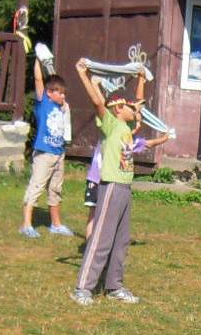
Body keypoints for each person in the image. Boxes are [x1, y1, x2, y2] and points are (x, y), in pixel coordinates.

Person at [71, 58, 145, 305]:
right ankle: (83, 288)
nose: (134, 110)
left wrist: (141, 78)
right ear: (118, 108)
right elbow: (97, 101)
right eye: (129, 107)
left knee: (121, 241)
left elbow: (139, 103)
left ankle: (114, 286)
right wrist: (83, 75)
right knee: (101, 238)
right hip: (111, 185)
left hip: (125, 187)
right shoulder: (111, 124)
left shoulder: (127, 126)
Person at [19, 61, 73, 239]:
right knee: (36, 186)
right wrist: (38, 60)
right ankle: (26, 224)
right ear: (49, 92)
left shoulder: (61, 108)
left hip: (58, 153)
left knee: (55, 189)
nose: (63, 95)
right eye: (60, 92)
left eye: (64, 92)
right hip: (44, 154)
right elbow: (38, 79)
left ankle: (56, 224)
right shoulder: (44, 104)